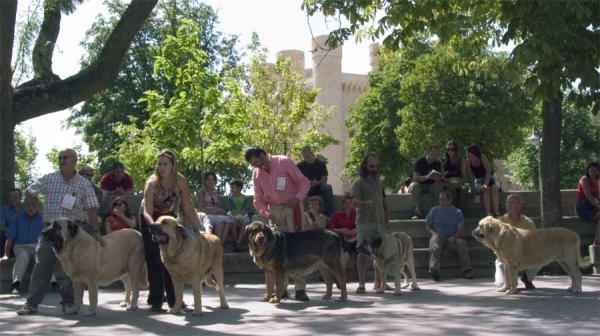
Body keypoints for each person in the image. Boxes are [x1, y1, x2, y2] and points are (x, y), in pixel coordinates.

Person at [16, 148, 103, 315]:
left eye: (65, 158)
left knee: (75, 269)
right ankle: (31, 303)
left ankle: (69, 302)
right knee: (42, 267)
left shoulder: (84, 184)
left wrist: (96, 231)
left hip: (73, 234)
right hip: (50, 231)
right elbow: (29, 191)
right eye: (60, 158)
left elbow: (92, 209)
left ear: (74, 160)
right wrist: (39, 207)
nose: (61, 160)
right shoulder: (49, 178)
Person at [245, 146, 310, 301]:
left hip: (292, 206)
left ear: (263, 155)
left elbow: (304, 182)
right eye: (253, 165)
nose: (257, 166)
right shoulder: (256, 174)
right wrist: (267, 214)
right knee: (278, 251)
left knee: (298, 249)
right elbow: (258, 200)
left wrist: (297, 198)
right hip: (274, 211)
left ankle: (300, 289)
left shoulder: (284, 161)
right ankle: (282, 291)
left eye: (257, 162)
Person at [139, 150, 198, 313]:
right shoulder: (152, 182)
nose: (161, 167)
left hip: (168, 216)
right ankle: (156, 300)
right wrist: (153, 228)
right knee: (154, 259)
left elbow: (187, 207)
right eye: (159, 164)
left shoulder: (181, 182)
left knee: (172, 258)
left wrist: (195, 227)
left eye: (165, 164)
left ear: (173, 166)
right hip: (150, 219)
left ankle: (175, 300)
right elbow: (147, 212)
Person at [0, 200, 60, 294]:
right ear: (25, 207)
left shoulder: (41, 218)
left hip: (38, 245)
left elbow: (49, 237)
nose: (30, 208)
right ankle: (15, 284)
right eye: (28, 206)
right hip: (21, 246)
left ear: (37, 208)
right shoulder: (17, 218)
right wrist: (6, 255)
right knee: (22, 257)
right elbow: (10, 238)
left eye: (33, 206)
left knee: (43, 258)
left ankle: (54, 283)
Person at [351, 153, 390, 294]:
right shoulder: (358, 182)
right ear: (365, 166)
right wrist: (365, 203)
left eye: (376, 166)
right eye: (371, 166)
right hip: (365, 222)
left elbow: (383, 198)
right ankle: (361, 283)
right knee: (363, 253)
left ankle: (380, 282)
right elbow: (353, 202)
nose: (374, 169)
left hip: (379, 221)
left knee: (381, 253)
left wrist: (387, 213)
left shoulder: (379, 181)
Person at [425, 191, 474, 281]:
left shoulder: (457, 212)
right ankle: (434, 269)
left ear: (450, 200)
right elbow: (428, 225)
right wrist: (433, 233)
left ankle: (466, 270)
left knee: (462, 243)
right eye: (440, 200)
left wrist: (454, 237)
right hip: (438, 235)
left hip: (452, 237)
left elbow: (460, 228)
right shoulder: (434, 210)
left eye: (444, 200)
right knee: (435, 244)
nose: (441, 202)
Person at [498, 194, 539, 289]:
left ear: (519, 205)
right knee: (500, 267)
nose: (508, 205)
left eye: (511, 202)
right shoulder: (501, 221)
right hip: (506, 255)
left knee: (541, 260)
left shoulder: (528, 222)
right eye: (507, 202)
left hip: (524, 255)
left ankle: (527, 278)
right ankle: (509, 283)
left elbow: (535, 240)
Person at [197, 172, 233, 248]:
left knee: (227, 220)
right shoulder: (201, 192)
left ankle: (220, 245)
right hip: (206, 215)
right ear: (205, 181)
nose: (210, 181)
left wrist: (219, 210)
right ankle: (216, 245)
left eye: (212, 180)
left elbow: (219, 206)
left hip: (216, 215)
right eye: (208, 179)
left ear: (215, 181)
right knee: (220, 220)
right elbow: (201, 209)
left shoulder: (216, 192)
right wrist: (212, 210)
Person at [297, 146, 334, 218]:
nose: (307, 159)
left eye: (308, 156)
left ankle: (329, 215)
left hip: (318, 186)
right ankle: (299, 215)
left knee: (327, 187)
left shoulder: (321, 164)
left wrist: (316, 183)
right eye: (304, 157)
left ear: (312, 153)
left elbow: (324, 179)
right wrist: (307, 183)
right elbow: (297, 180)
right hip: (306, 187)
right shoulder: (300, 166)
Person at [465, 143, 501, 217]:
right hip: (479, 181)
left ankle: (496, 212)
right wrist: (472, 188)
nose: (467, 155)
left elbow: (488, 171)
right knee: (486, 189)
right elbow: (470, 176)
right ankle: (488, 213)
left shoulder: (482, 157)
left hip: (490, 178)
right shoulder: (468, 162)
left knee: (494, 188)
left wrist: (486, 182)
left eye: (469, 153)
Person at [410, 146, 444, 219]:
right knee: (414, 186)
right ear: (428, 153)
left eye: (436, 154)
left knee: (438, 186)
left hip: (431, 185)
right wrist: (427, 177)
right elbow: (415, 178)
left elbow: (439, 177)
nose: (435, 156)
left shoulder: (437, 163)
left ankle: (436, 212)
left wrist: (438, 178)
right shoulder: (419, 162)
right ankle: (417, 212)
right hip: (420, 185)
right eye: (433, 153)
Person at [330, 193, 357, 274]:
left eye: (350, 202)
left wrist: (356, 230)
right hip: (341, 238)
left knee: (363, 251)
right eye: (346, 202)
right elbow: (331, 229)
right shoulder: (337, 214)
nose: (348, 205)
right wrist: (340, 230)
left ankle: (362, 277)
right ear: (342, 203)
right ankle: (342, 275)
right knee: (346, 250)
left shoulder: (357, 214)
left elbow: (362, 226)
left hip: (355, 238)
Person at [575, 162, 600, 245]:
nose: (593, 172)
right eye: (592, 170)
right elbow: (588, 196)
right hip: (583, 207)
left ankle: (597, 240)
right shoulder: (584, 179)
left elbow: (597, 196)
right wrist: (599, 206)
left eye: (595, 171)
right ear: (588, 170)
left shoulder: (596, 181)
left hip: (592, 206)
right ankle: (597, 241)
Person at [227, 179, 251, 251]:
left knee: (244, 224)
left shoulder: (245, 198)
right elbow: (232, 209)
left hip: (243, 215)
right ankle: (235, 241)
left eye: (233, 187)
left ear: (239, 188)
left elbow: (244, 209)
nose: (231, 189)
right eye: (231, 187)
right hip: (233, 215)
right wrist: (236, 216)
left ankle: (239, 242)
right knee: (233, 224)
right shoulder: (230, 198)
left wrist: (240, 216)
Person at [0, 188, 25, 257]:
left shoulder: (26, 207)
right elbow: (1, 226)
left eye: (15, 196)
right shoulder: (3, 209)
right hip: (8, 236)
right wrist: (14, 231)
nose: (12, 199)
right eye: (10, 197)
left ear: (20, 197)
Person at [443, 140, 467, 207]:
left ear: (456, 150)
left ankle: (461, 211)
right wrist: (450, 181)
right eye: (448, 149)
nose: (450, 152)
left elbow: (464, 175)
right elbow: (441, 176)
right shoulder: (443, 161)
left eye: (452, 149)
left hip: (458, 181)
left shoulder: (461, 160)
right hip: (448, 182)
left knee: (464, 189)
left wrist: (460, 182)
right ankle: (453, 210)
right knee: (451, 190)